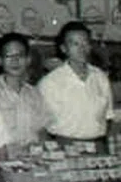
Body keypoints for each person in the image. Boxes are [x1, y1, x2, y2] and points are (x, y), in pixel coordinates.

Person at [38, 22, 113, 153]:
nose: (81, 48)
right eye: (75, 44)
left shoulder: (100, 77)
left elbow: (108, 117)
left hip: (98, 148)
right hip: (65, 148)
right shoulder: (50, 82)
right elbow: (40, 125)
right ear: (63, 48)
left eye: (85, 43)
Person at [0, 32, 48, 146]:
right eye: (9, 56)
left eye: (20, 55)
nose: (15, 60)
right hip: (4, 159)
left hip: (33, 158)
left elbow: (42, 129)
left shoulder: (35, 93)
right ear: (0, 61)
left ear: (28, 60)